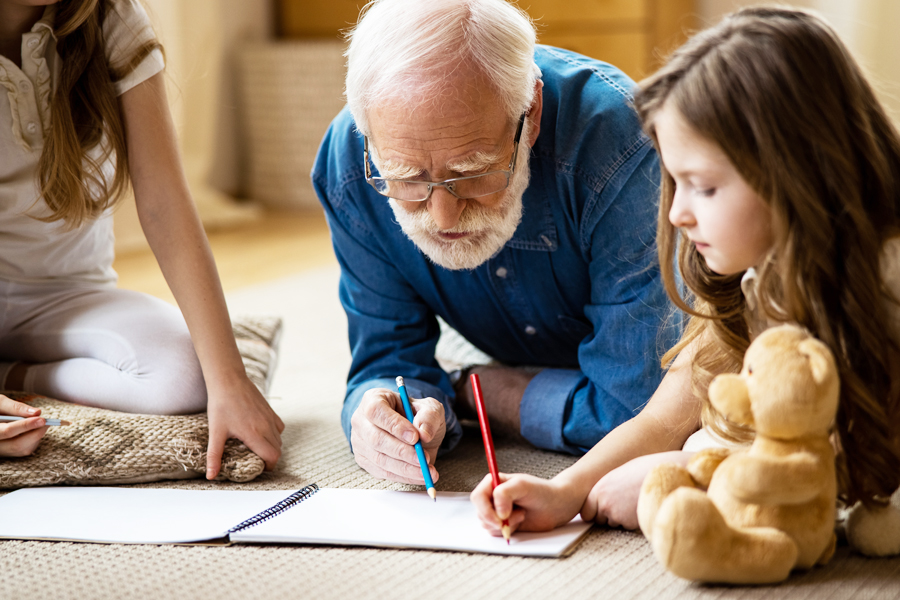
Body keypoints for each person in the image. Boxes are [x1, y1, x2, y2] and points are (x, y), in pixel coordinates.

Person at [472, 6, 900, 537]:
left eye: (705, 186)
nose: (677, 214)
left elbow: (847, 468)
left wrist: (696, 475)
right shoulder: (754, 279)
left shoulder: (887, 280)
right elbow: (662, 420)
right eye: (676, 183)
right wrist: (566, 491)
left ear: (797, 172)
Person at [312, 0, 678, 486]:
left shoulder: (624, 145)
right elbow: (386, 360)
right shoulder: (347, 167)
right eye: (406, 177)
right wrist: (380, 413)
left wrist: (475, 390)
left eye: (473, 172)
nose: (443, 217)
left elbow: (639, 411)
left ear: (532, 112)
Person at [0, 0, 284, 476]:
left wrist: (229, 378)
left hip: (69, 294)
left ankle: (11, 372)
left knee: (186, 378)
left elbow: (164, 203)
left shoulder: (112, 17)